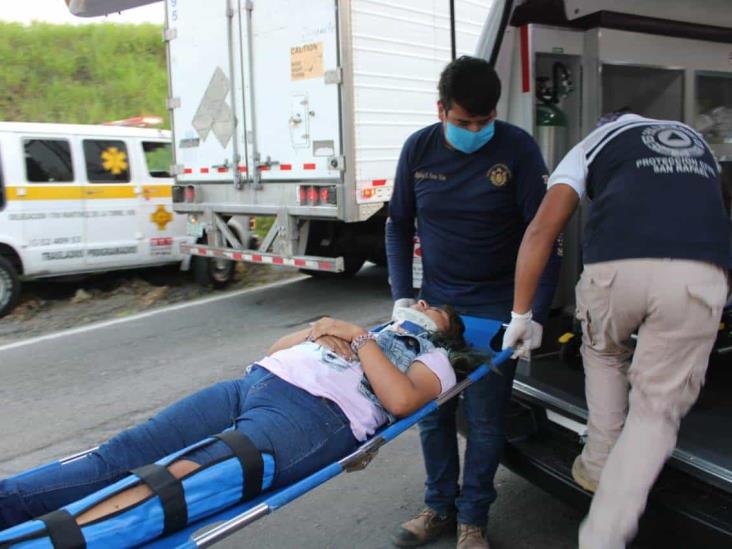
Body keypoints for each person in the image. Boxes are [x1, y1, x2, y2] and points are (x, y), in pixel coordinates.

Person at [0, 301, 471, 540]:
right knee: (118, 457)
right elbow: (273, 351)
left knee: (179, 479)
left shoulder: (430, 356)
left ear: (443, 331)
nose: (422, 305)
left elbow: (403, 401)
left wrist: (358, 336)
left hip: (314, 416)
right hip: (253, 385)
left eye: (435, 310)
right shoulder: (366, 330)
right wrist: (318, 330)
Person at [502, 110, 730, 548]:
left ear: (602, 124)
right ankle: (606, 529)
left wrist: (521, 316)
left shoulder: (593, 143)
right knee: (655, 408)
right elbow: (713, 213)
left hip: (615, 270)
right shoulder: (695, 142)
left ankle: (600, 465)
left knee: (604, 353)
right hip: (699, 276)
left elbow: (541, 232)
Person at [386, 56, 560, 549]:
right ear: (441, 109)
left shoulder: (519, 150)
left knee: (485, 422)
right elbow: (397, 224)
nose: (476, 131)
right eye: (464, 122)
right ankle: (439, 506)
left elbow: (544, 237)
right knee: (432, 413)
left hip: (498, 307)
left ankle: (473, 519)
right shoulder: (418, 149)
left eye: (485, 122)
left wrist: (534, 316)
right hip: (435, 306)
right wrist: (402, 295)